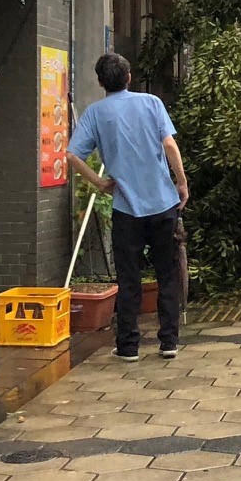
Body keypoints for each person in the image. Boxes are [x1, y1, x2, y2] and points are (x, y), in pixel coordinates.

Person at [67, 53, 188, 360]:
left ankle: (128, 346)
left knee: (129, 279)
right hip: (163, 204)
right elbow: (170, 145)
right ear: (129, 76)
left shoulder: (95, 114)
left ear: (100, 82)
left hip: (127, 209)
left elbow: (72, 156)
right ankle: (169, 342)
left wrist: (101, 183)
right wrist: (182, 183)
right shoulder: (151, 103)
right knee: (167, 275)